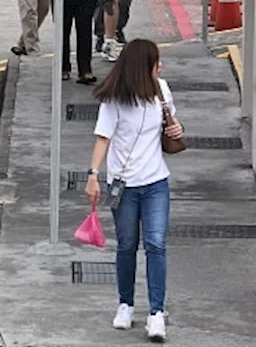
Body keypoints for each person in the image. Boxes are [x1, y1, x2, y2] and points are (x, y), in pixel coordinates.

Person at [85, 39, 182, 342]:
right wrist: (93, 175)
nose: (160, 66)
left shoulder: (162, 90)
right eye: (156, 62)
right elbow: (103, 138)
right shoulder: (115, 99)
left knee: (156, 244)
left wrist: (177, 130)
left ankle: (156, 313)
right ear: (143, 66)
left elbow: (171, 124)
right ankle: (125, 304)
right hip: (123, 185)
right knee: (127, 246)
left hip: (156, 183)